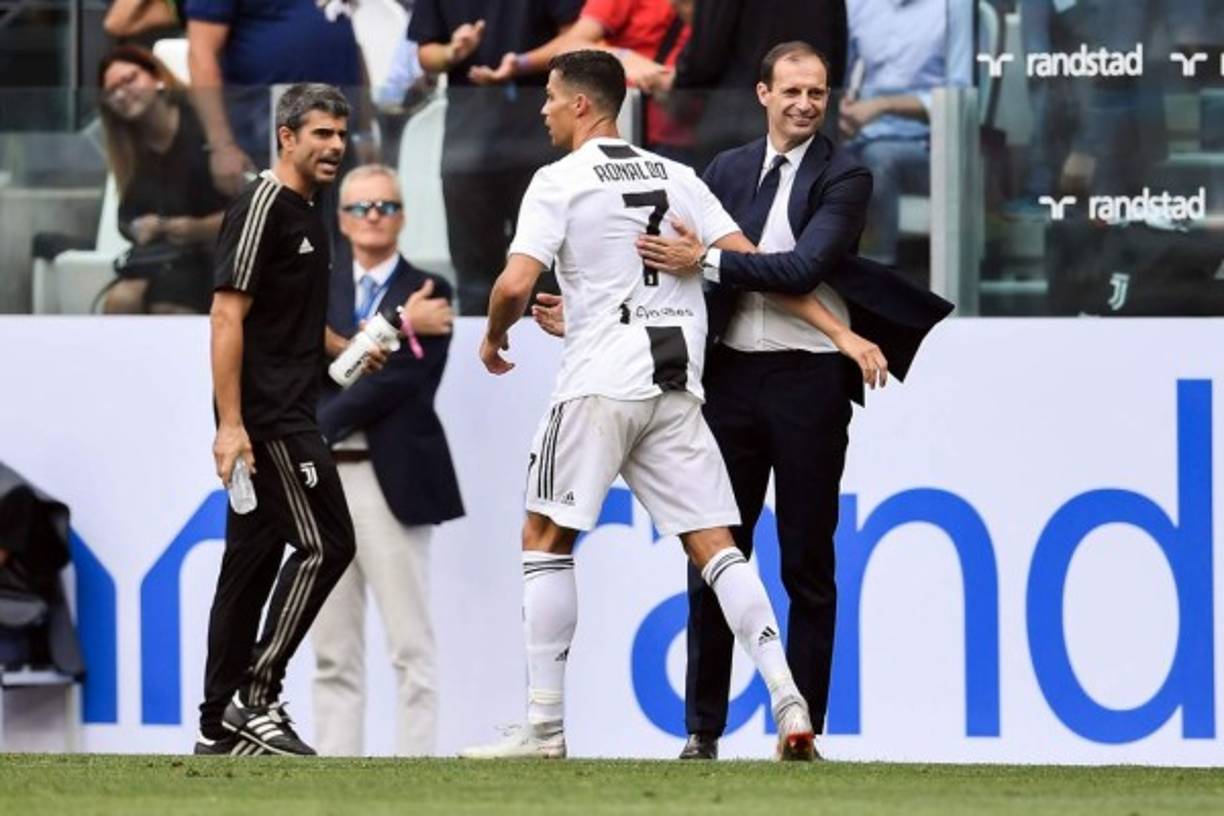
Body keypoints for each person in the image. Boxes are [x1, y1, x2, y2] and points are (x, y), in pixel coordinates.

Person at [461, 49, 887, 762]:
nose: (541, 109)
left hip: (601, 382)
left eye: (549, 97)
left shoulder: (559, 181)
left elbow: (514, 282)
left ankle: (543, 728)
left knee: (543, 540)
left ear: (581, 106)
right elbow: (752, 265)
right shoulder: (679, 175)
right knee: (718, 548)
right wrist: (840, 329)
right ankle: (788, 701)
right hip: (676, 386)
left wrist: (496, 331)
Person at [630, 41, 953, 759]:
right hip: (732, 381)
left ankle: (801, 729)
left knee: (808, 561)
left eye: (817, 92)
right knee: (717, 556)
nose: (806, 103)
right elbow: (693, 271)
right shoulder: (726, 169)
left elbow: (804, 264)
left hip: (809, 385)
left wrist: (709, 259)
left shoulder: (849, 173)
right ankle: (701, 731)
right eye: (793, 91)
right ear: (763, 94)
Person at [197, 83, 359, 757]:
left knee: (249, 568)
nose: (334, 147)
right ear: (286, 137)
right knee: (329, 543)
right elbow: (227, 313)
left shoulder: (308, 211)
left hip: (284, 407)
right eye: (320, 133)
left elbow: (287, 315)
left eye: (341, 135)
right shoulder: (264, 205)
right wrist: (231, 425)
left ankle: (217, 728)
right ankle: (255, 697)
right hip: (271, 419)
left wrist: (346, 351)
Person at [310, 164, 464, 757]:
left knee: (410, 644)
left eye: (386, 206)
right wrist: (396, 326)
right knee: (331, 647)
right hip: (324, 478)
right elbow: (311, 368)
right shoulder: (318, 288)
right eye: (360, 208)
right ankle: (335, 770)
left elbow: (395, 382)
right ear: (342, 221)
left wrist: (318, 418)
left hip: (388, 479)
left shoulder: (431, 290)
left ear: (402, 214)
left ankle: (414, 768)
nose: (373, 217)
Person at [409, 0, 583, 314]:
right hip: (468, 144)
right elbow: (426, 54)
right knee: (474, 279)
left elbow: (576, 38)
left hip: (540, 136)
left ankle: (546, 360)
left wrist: (521, 63)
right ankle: (480, 357)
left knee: (547, 273)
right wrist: (453, 52)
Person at [183, 0, 365, 197]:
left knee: (339, 222)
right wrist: (221, 145)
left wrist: (365, 129)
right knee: (274, 220)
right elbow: (201, 56)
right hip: (265, 129)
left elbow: (345, 39)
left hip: (338, 127)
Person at [97, 46, 227, 315]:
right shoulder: (128, 150)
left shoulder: (204, 127)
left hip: (216, 255)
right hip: (165, 257)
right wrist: (138, 227)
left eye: (130, 79)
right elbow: (126, 217)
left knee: (168, 305)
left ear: (158, 78)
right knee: (119, 301)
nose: (122, 93)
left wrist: (197, 227)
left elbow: (250, 210)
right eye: (112, 91)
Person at [840, 0, 972, 265]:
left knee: (879, 160)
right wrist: (842, 108)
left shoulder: (954, 6)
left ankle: (876, 276)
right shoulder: (858, 4)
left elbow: (961, 94)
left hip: (929, 144)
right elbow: (842, 78)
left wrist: (883, 106)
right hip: (862, 134)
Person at [643, 0, 848, 168]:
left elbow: (706, 52)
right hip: (810, 118)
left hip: (736, 116)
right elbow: (837, 44)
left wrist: (680, 80)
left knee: (731, 210)